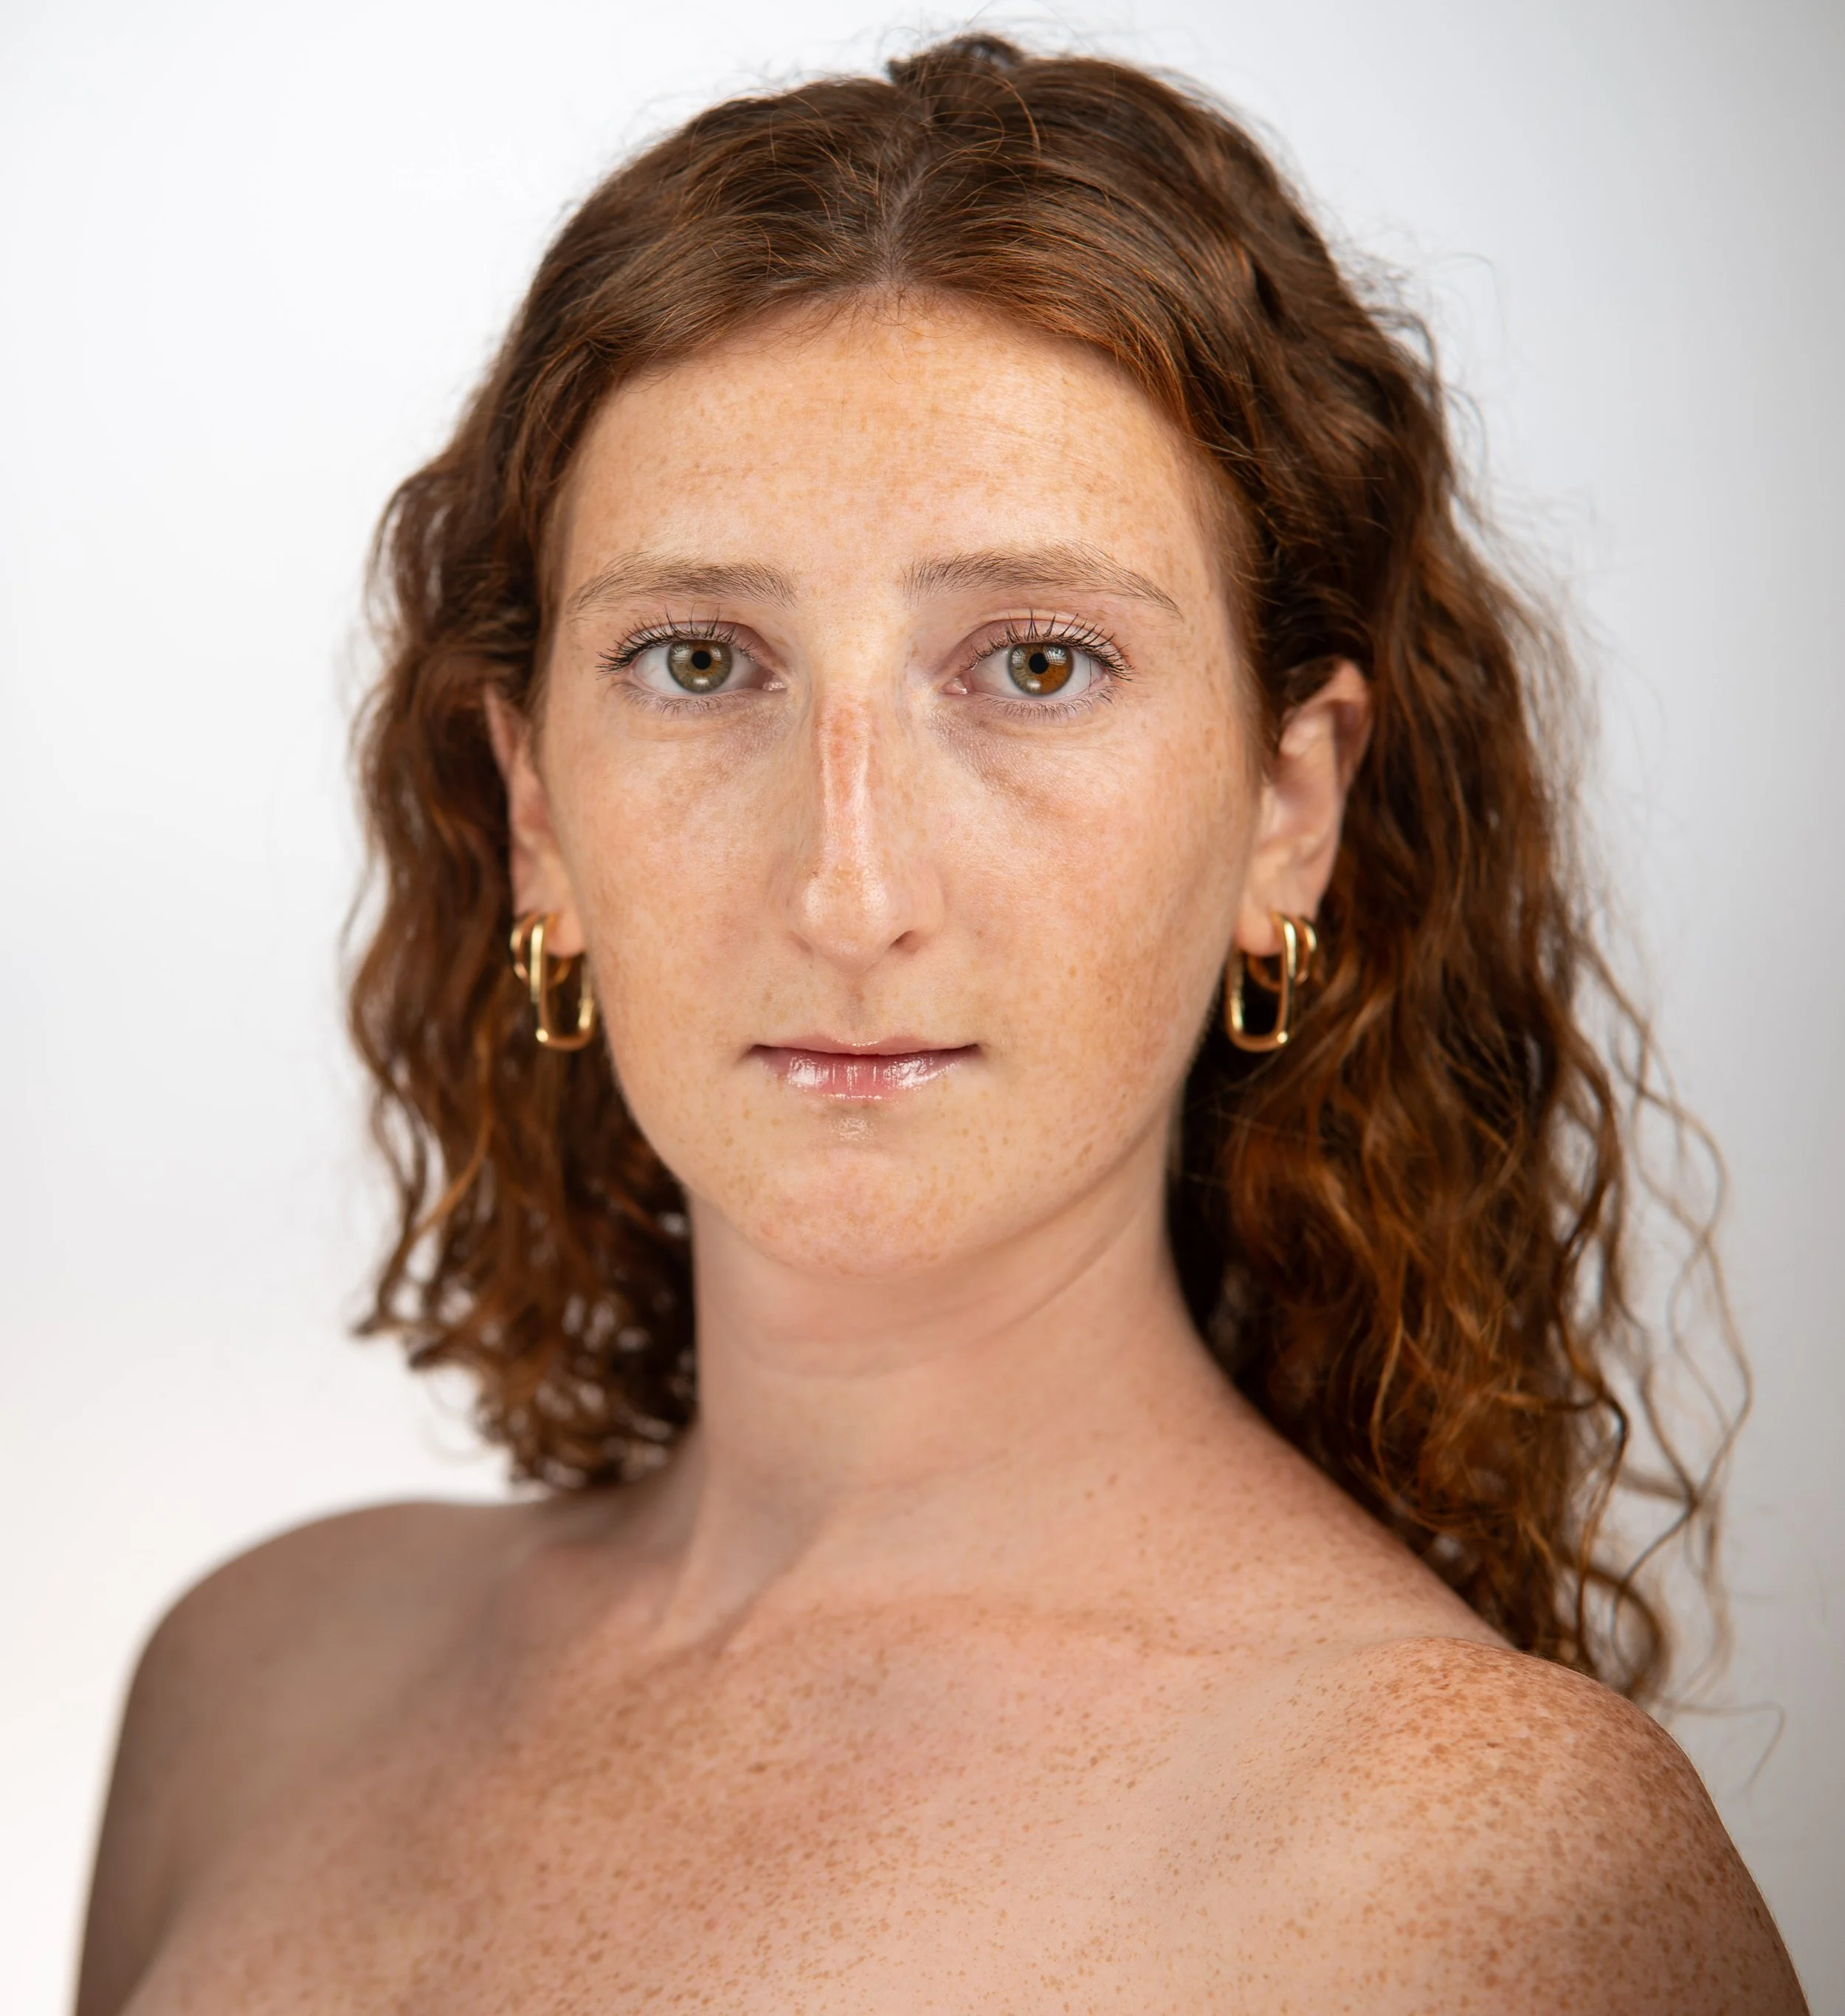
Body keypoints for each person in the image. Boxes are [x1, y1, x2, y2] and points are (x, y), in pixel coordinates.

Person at [75, 35, 1806, 2015]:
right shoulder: (253, 1685)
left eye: (1038, 663)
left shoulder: (1474, 1861)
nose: (846, 889)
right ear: (533, 808)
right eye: (697, 660)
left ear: (1289, 802)